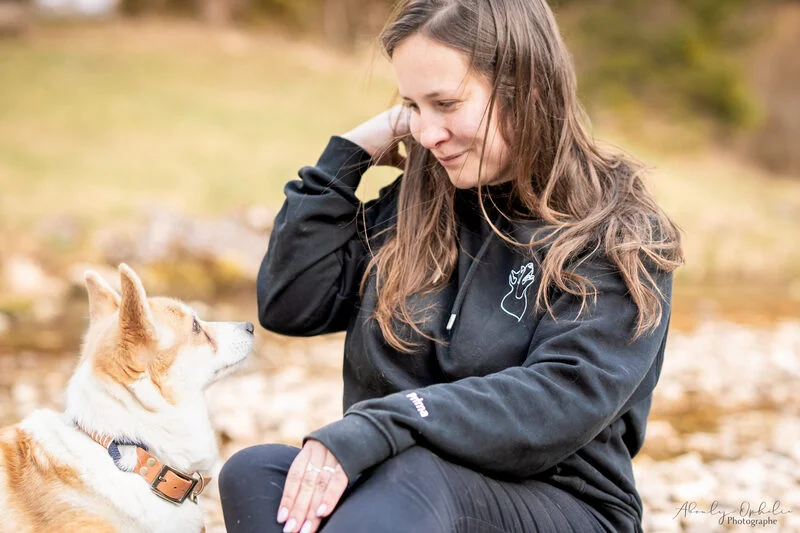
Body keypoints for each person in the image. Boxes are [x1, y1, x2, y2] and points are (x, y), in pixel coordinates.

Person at [219, 0, 683, 532]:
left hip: (561, 506)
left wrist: (385, 425)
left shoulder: (617, 229)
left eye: (445, 102)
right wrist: (348, 155)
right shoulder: (417, 204)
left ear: (526, 88)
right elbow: (292, 305)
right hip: (402, 490)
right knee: (254, 474)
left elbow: (562, 398)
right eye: (412, 107)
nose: (426, 133)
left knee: (414, 476)